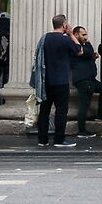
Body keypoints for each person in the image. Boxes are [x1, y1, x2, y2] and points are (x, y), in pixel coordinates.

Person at [35, 14, 77, 148]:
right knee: (61, 111)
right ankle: (59, 139)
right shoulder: (65, 40)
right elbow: (79, 50)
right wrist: (71, 34)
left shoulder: (44, 38)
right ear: (64, 25)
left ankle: (42, 139)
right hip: (61, 80)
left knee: (44, 110)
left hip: (46, 80)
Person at [66, 24, 102, 136]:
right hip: (83, 79)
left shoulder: (84, 45)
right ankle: (81, 130)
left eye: (86, 34)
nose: (86, 37)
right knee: (84, 105)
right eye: (83, 35)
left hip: (90, 79)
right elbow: (86, 52)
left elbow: (89, 53)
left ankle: (100, 115)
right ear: (76, 35)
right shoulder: (74, 46)